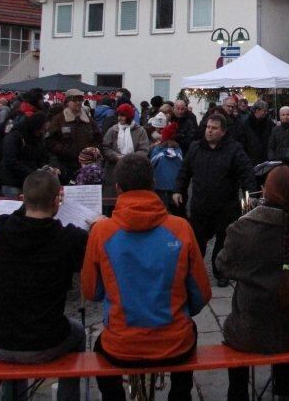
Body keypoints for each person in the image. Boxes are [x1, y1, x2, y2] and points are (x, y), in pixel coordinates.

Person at [82, 154, 211, 401]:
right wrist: (179, 312)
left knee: (100, 355)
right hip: (174, 341)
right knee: (188, 342)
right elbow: (202, 292)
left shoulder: (101, 232)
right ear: (152, 184)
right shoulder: (180, 227)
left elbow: (92, 292)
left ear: (118, 188)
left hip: (121, 344)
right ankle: (180, 395)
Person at [217, 165, 289, 401]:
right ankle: (284, 390)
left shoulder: (244, 228)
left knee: (243, 327)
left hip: (251, 329)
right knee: (284, 310)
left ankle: (238, 394)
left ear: (265, 192)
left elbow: (222, 265)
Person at [0, 167, 91, 401]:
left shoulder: (0, 229)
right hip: (44, 341)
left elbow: (19, 214)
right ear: (56, 202)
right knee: (79, 333)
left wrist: (33, 195)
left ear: (23, 199)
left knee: (13, 332)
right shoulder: (69, 239)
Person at [173, 114, 256, 287]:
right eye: (208, 127)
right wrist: (178, 190)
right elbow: (184, 171)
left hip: (225, 205)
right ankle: (193, 271)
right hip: (200, 205)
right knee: (197, 241)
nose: (209, 131)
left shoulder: (234, 149)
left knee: (223, 241)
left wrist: (250, 196)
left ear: (223, 131)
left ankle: (221, 272)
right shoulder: (195, 147)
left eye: (214, 128)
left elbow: (246, 172)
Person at [46, 88, 102, 182]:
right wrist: (65, 150)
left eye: (80, 100)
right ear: (67, 102)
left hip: (86, 166)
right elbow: (50, 141)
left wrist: (91, 151)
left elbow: (98, 138)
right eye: (75, 100)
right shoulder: (58, 120)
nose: (78, 103)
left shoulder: (88, 120)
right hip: (64, 166)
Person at [0, 112, 49, 197]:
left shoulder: (37, 139)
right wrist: (32, 173)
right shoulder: (15, 136)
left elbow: (43, 156)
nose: (43, 132)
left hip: (29, 182)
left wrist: (46, 166)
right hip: (13, 182)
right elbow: (10, 160)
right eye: (42, 129)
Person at [150, 123, 184, 215]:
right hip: (173, 185)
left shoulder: (157, 150)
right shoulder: (179, 150)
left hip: (159, 184)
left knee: (159, 207)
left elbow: (151, 164)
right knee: (173, 208)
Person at [241, 100, 274, 165]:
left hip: (266, 158)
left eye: (267, 111)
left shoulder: (269, 123)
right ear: (257, 110)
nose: (266, 113)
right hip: (251, 159)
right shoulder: (246, 124)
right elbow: (243, 142)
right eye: (264, 111)